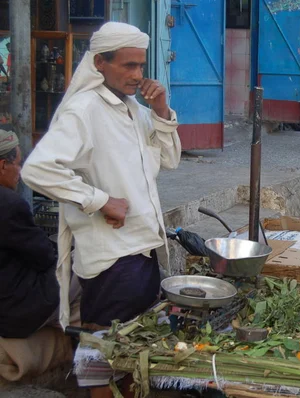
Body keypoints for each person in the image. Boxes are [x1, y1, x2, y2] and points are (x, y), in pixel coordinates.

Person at [21, 22, 181, 397]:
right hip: (112, 258)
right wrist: (100, 200)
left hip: (142, 250)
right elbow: (36, 169)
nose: (137, 75)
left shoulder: (134, 110)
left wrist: (160, 108)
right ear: (99, 64)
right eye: (127, 66)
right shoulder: (84, 110)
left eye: (141, 66)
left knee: (131, 355)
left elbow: (171, 158)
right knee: (102, 360)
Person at [0, 130, 59, 338]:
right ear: (2, 165)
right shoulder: (9, 204)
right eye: (18, 163)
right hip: (11, 312)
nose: (20, 171)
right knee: (84, 276)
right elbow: (45, 256)